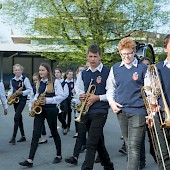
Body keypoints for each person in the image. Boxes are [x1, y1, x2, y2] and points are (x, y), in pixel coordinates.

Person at [65, 44, 114, 170]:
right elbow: (78, 88)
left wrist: (97, 97)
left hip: (100, 110)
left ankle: (86, 168)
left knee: (91, 142)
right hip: (86, 110)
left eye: (95, 56)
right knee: (98, 141)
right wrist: (81, 94)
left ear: (100, 57)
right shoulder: (83, 73)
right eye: (90, 56)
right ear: (87, 56)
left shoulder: (108, 72)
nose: (92, 59)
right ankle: (108, 165)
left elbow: (112, 92)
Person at [106, 37, 147, 170]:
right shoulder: (115, 68)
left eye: (129, 53)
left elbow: (149, 90)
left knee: (134, 146)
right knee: (129, 144)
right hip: (121, 111)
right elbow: (110, 88)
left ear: (134, 51)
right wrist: (112, 103)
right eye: (123, 54)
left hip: (139, 111)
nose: (126, 56)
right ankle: (139, 164)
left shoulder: (142, 68)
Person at [19, 63, 66, 167]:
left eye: (42, 70)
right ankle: (30, 159)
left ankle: (59, 155)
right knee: (36, 134)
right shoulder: (39, 82)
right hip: (39, 110)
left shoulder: (55, 82)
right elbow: (37, 93)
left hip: (51, 110)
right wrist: (34, 101)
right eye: (39, 70)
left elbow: (62, 96)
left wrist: (48, 100)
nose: (40, 72)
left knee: (54, 132)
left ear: (48, 71)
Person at [145, 34, 170, 170]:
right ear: (165, 48)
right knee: (163, 154)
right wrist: (152, 99)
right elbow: (149, 91)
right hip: (160, 115)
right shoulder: (156, 69)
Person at [8, 64, 32, 145]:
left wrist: (22, 92)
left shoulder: (25, 79)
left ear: (21, 71)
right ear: (13, 71)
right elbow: (11, 89)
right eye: (16, 70)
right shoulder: (12, 80)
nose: (17, 71)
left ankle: (13, 137)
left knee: (16, 117)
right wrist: (9, 95)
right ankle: (23, 136)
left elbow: (30, 89)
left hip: (22, 99)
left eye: (19, 70)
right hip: (15, 100)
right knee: (19, 118)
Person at [30, 72, 48, 144]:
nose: (35, 82)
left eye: (36, 80)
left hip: (43, 104)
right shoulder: (34, 87)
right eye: (34, 80)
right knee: (37, 123)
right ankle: (39, 137)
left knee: (42, 123)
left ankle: (43, 136)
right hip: (37, 105)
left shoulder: (42, 85)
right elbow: (32, 96)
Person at [54, 68, 69, 135]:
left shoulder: (64, 83)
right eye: (55, 72)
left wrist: (60, 99)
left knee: (61, 116)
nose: (56, 74)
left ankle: (65, 126)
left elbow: (66, 93)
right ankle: (53, 131)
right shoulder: (53, 82)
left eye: (58, 72)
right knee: (54, 116)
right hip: (55, 100)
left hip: (62, 101)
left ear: (61, 73)